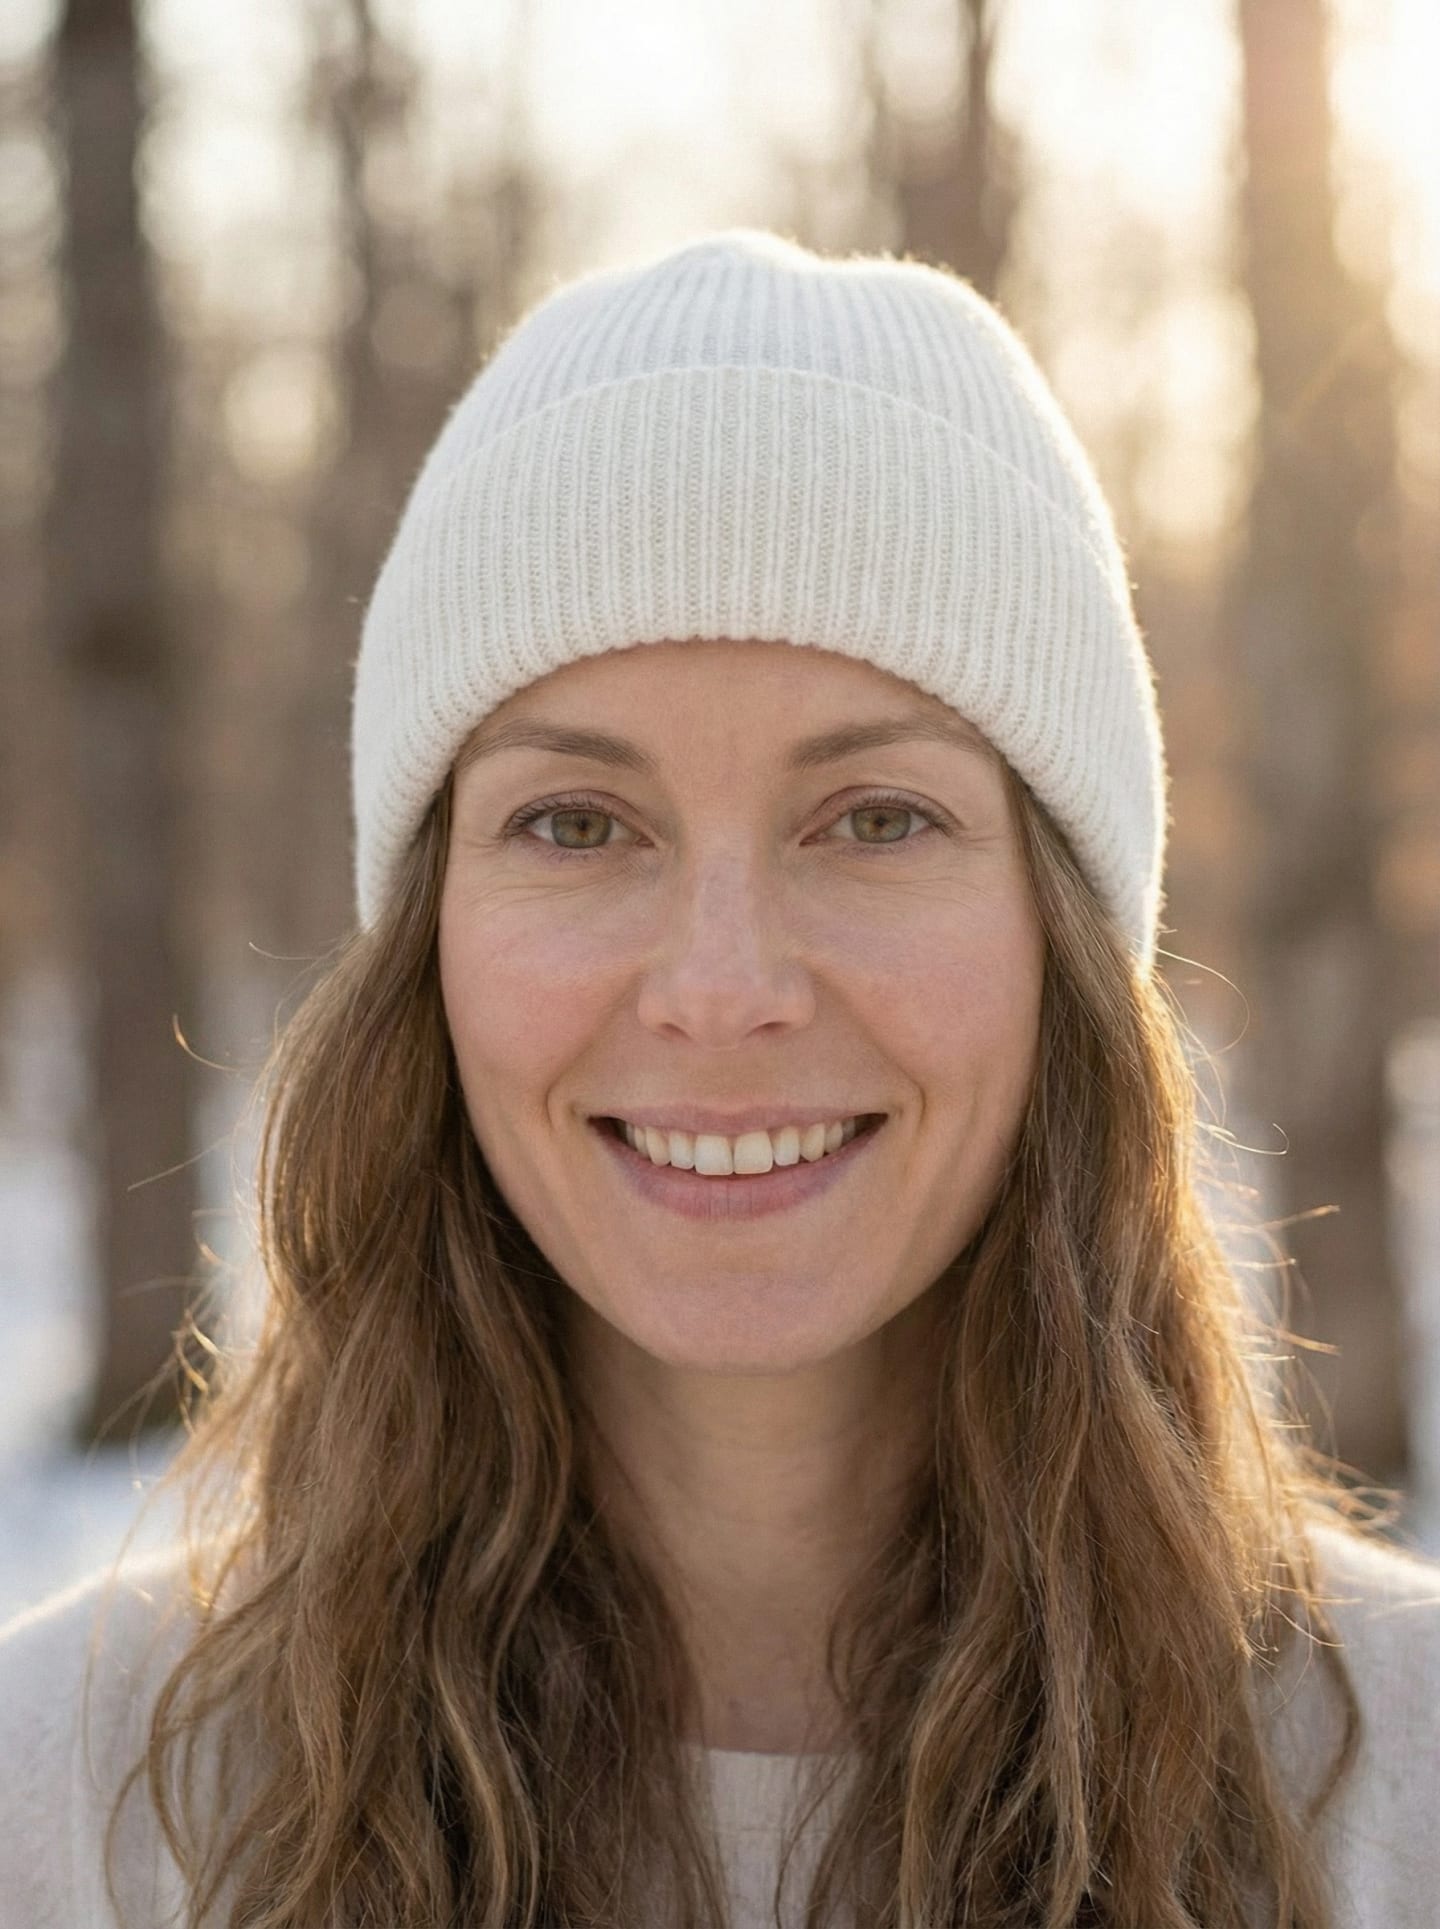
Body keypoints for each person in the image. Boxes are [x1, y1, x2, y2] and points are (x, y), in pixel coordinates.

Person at [1, 227, 1437, 1929]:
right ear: (432, 944)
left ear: (1064, 940)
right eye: (578, 823)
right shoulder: (78, 1791)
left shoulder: (1394, 1786)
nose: (722, 989)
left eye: (878, 818)